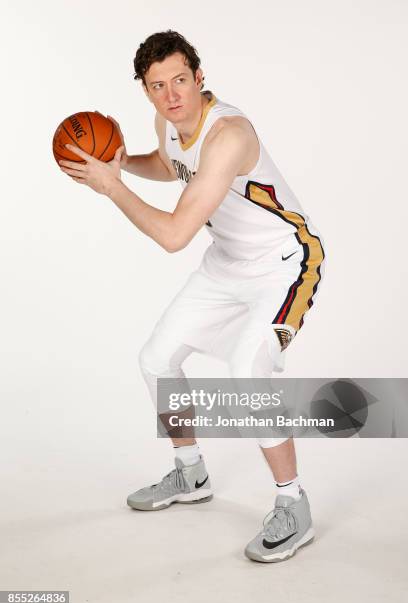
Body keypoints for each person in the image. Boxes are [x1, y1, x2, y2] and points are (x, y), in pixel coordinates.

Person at [59, 30, 325, 563]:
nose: (171, 95)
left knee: (248, 371)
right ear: (147, 90)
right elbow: (170, 163)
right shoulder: (168, 121)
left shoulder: (228, 133)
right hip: (227, 262)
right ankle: (191, 473)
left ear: (199, 78)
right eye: (158, 86)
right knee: (156, 361)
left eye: (180, 80)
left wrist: (110, 187)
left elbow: (175, 236)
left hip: (285, 263)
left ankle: (293, 504)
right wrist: (121, 162)